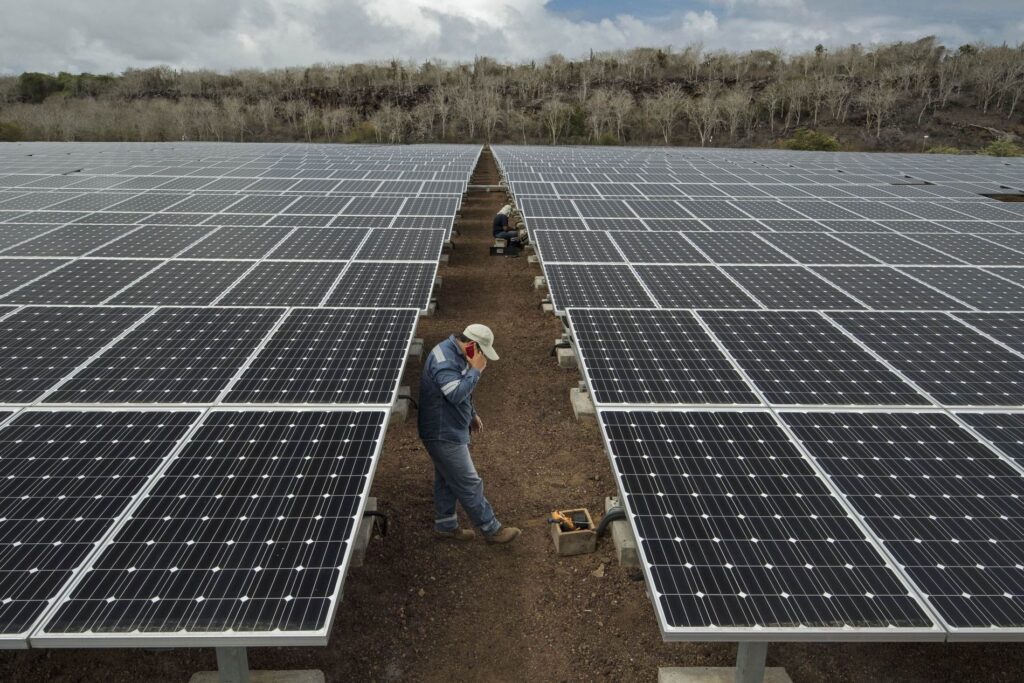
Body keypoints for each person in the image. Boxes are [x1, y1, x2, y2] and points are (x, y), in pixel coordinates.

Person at [417, 324, 520, 544]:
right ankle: (492, 529)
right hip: (442, 431)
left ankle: (446, 526)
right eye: (482, 351)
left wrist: (471, 413)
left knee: (447, 477)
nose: (482, 357)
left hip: (449, 427)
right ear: (472, 345)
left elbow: (461, 389)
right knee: (469, 481)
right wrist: (476, 371)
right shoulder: (444, 360)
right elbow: (454, 394)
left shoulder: (456, 353)